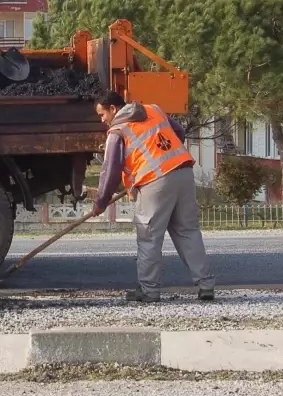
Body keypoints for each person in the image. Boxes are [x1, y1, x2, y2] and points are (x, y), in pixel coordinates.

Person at [88, 90, 215, 302]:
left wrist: (101, 202)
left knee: (149, 237)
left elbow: (110, 171)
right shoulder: (153, 110)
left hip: (154, 181)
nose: (102, 120)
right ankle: (206, 285)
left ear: (113, 109)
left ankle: (149, 290)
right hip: (183, 172)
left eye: (102, 114)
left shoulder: (117, 132)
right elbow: (179, 133)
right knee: (188, 232)